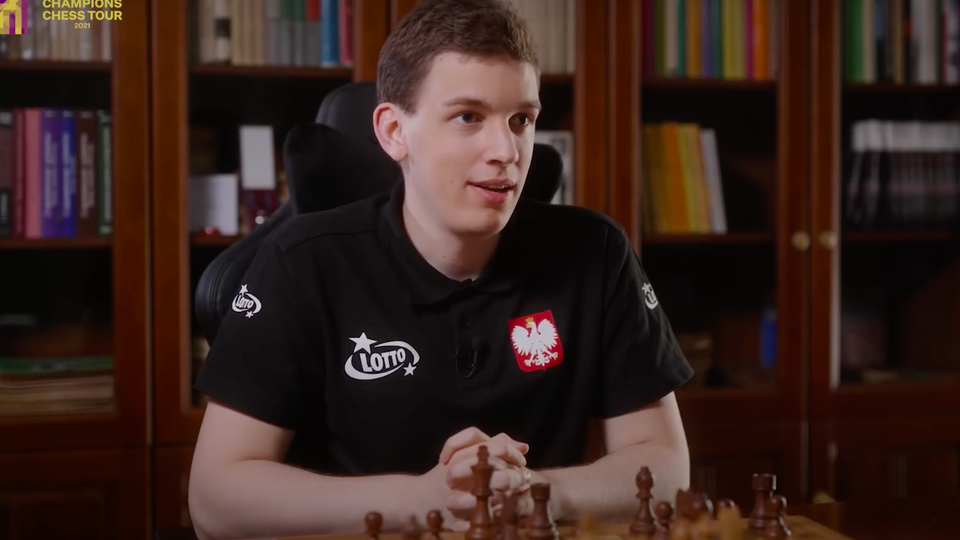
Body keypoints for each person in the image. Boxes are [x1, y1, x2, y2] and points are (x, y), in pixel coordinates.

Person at [187, 1, 694, 539]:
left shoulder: (596, 251)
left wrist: (532, 492)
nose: (506, 150)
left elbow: (665, 468)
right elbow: (215, 499)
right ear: (393, 131)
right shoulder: (301, 260)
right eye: (468, 117)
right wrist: (422, 499)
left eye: (521, 120)